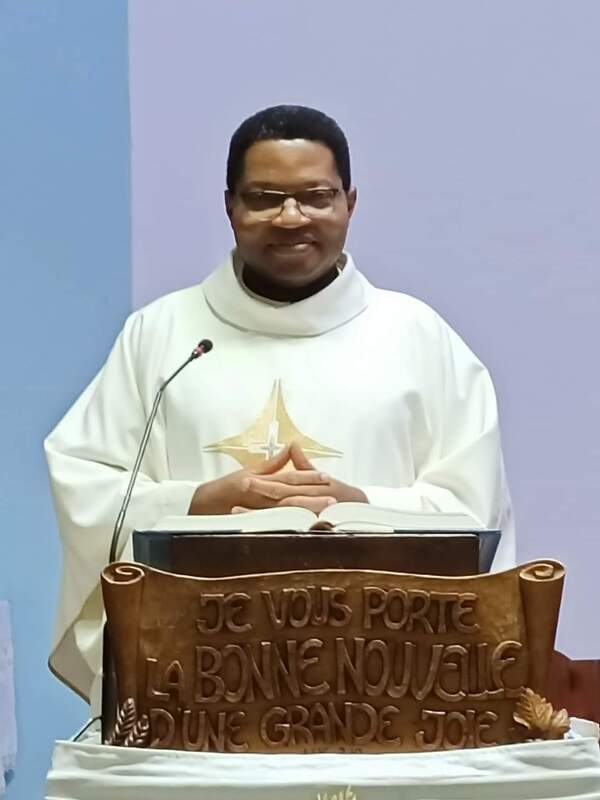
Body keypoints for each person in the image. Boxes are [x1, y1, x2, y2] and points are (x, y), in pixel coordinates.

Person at [45, 104, 514, 707]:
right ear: (230, 207)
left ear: (350, 202)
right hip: (198, 676)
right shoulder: (162, 336)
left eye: (316, 197)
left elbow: (475, 511)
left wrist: (357, 505)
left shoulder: (419, 337)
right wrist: (200, 501)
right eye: (265, 198)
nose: (291, 217)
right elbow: (87, 487)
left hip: (386, 672)